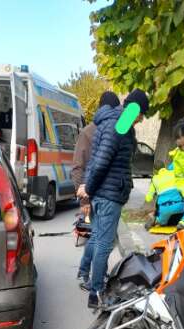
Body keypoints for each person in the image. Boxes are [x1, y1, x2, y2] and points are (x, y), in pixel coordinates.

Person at [80, 89, 149, 308]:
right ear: (135, 109)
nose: (142, 119)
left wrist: (89, 188)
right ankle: (97, 292)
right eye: (142, 114)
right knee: (104, 244)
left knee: (100, 240)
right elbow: (100, 162)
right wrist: (88, 189)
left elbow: (96, 161)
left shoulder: (117, 124)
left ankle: (95, 285)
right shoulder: (118, 126)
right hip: (108, 195)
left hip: (104, 193)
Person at [72, 91, 121, 216]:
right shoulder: (90, 133)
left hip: (103, 198)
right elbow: (79, 168)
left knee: (103, 234)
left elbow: (78, 167)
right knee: (99, 234)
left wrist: (84, 200)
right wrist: (85, 200)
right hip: (98, 199)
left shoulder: (87, 132)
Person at [144, 164, 184, 229]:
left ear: (155, 171)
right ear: (165, 167)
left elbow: (148, 198)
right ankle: (183, 222)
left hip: (164, 208)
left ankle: (156, 220)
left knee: (162, 222)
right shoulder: (174, 174)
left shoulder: (155, 179)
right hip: (179, 205)